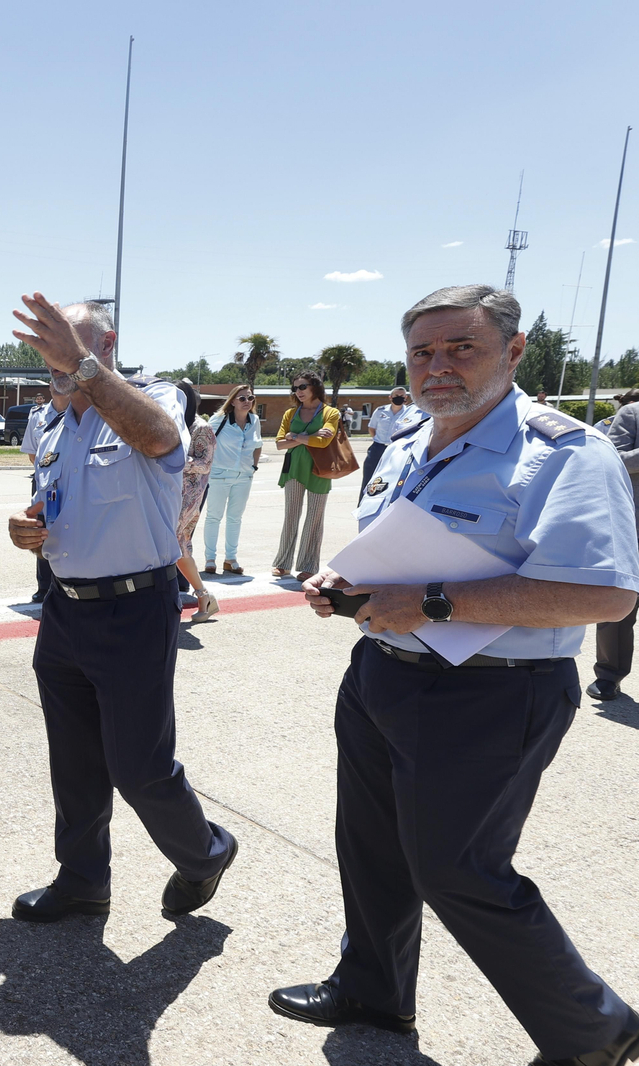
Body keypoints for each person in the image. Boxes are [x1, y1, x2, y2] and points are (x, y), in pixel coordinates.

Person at [277, 284, 639, 1066]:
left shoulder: (567, 452)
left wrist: (433, 602)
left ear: (512, 353)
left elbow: (607, 592)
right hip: (382, 671)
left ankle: (592, 1031)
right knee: (370, 846)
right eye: (422, 352)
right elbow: (401, 553)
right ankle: (374, 989)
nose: (436, 366)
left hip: (494, 691)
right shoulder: (408, 438)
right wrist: (346, 589)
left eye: (460, 348)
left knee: (458, 869)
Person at [5, 293, 237, 923]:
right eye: (45, 343)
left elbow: (162, 440)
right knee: (74, 762)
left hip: (134, 610)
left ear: (105, 346)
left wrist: (80, 368)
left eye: (67, 341)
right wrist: (31, 529)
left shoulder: (150, 401)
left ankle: (206, 851)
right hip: (64, 609)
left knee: (139, 767)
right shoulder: (53, 427)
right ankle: (82, 878)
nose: (52, 355)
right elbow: (56, 509)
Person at [589, 388, 639, 700]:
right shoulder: (631, 414)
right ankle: (609, 674)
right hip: (634, 531)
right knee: (618, 608)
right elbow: (614, 459)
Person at [271, 372, 340, 582]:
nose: (298, 392)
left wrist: (295, 436)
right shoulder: (290, 413)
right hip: (294, 468)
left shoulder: (331, 413)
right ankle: (283, 564)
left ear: (315, 386)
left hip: (320, 469)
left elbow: (323, 442)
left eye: (302, 387)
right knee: (290, 515)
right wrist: (308, 437)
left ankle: (308, 566)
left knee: (314, 519)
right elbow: (279, 443)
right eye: (295, 388)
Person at [203, 385, 263, 575]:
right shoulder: (219, 420)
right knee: (214, 517)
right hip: (219, 475)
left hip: (244, 476)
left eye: (250, 398)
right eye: (242, 398)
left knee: (235, 518)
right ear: (233, 401)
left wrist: (254, 466)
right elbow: (204, 441)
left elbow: (258, 444)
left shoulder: (255, 420)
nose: (247, 402)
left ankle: (231, 559)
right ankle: (210, 559)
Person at [173, 383, 218, 622]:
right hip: (168, 492)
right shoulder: (173, 423)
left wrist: (177, 460)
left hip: (189, 494)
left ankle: (201, 596)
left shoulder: (201, 427)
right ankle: (204, 597)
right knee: (177, 546)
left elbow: (205, 464)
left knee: (173, 541)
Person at [22, 389, 64, 603]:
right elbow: (32, 453)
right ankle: (44, 586)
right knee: (41, 533)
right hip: (44, 484)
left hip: (68, 484)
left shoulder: (80, 414)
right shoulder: (37, 416)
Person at [361, 387, 426, 500]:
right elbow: (372, 428)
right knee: (369, 478)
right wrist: (378, 440)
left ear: (406, 398)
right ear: (390, 397)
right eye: (396, 396)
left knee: (392, 481)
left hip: (398, 450)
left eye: (402, 396)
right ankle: (362, 505)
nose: (399, 398)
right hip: (378, 448)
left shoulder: (410, 413)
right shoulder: (380, 411)